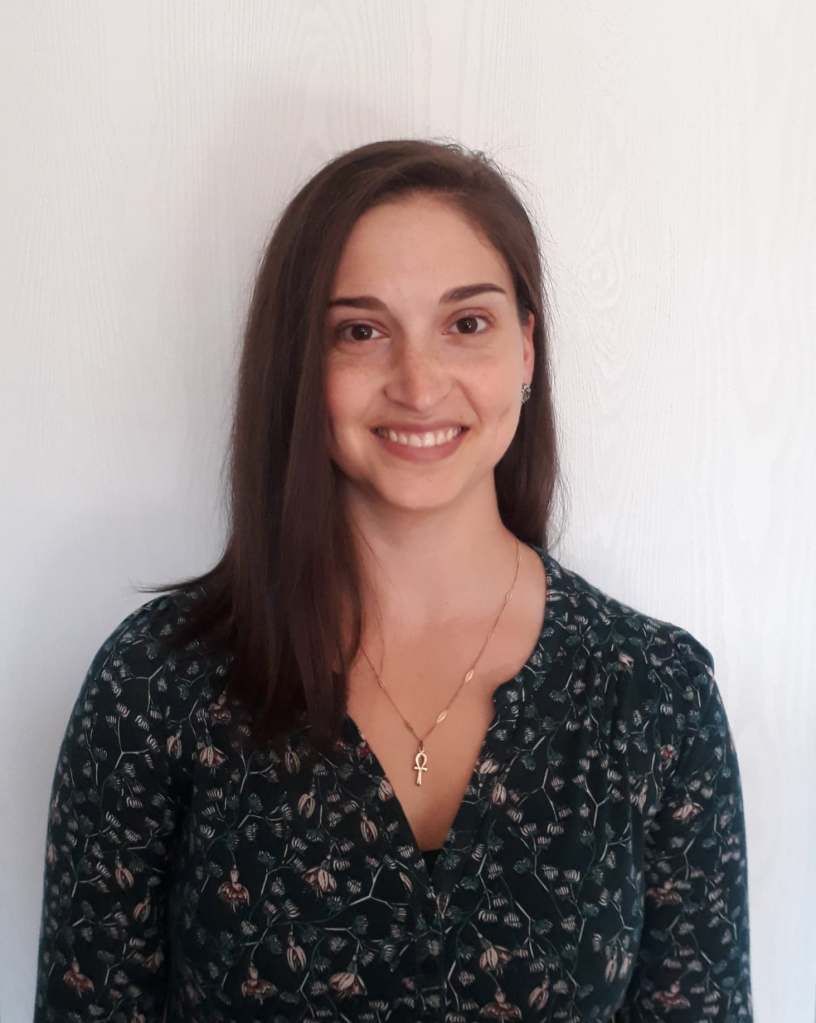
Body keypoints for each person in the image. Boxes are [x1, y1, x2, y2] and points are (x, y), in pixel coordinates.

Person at [32, 139, 753, 1021]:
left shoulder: (656, 698)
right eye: (361, 331)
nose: (418, 383)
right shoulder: (156, 684)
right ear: (302, 365)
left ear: (527, 351)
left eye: (467, 323)